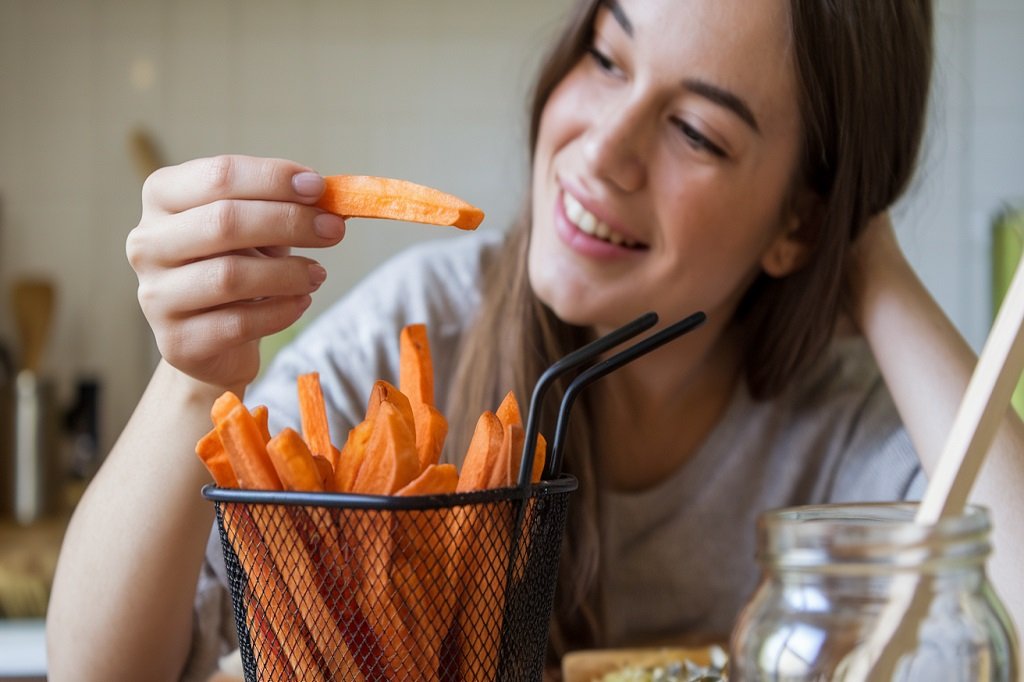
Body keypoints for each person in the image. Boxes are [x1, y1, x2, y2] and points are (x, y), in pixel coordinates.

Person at [46, 0, 1024, 679]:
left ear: (796, 223)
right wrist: (188, 381)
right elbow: (99, 671)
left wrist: (872, 264)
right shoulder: (419, 332)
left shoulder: (845, 424)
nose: (601, 149)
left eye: (697, 132)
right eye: (605, 57)